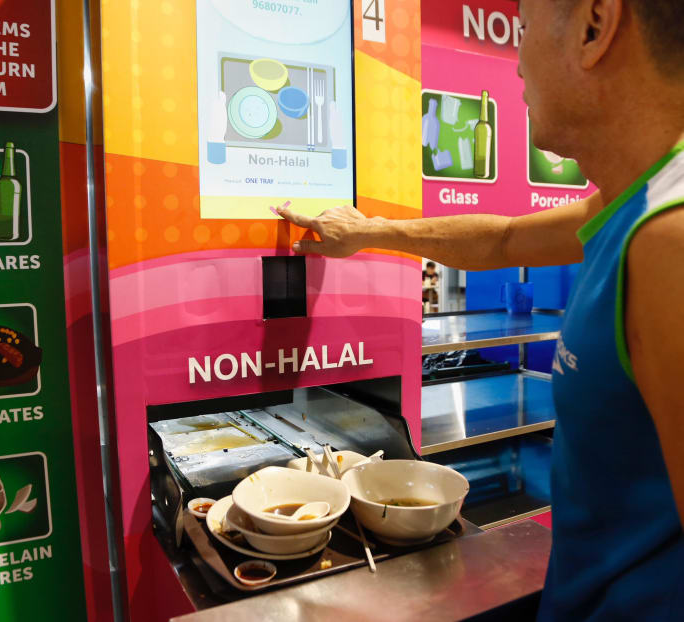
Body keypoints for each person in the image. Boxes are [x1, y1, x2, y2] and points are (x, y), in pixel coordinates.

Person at [276, 0, 684, 619]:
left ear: (595, 26)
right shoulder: (629, 202)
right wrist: (367, 229)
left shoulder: (668, 242)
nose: (516, 61)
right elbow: (503, 239)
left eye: (523, 26)